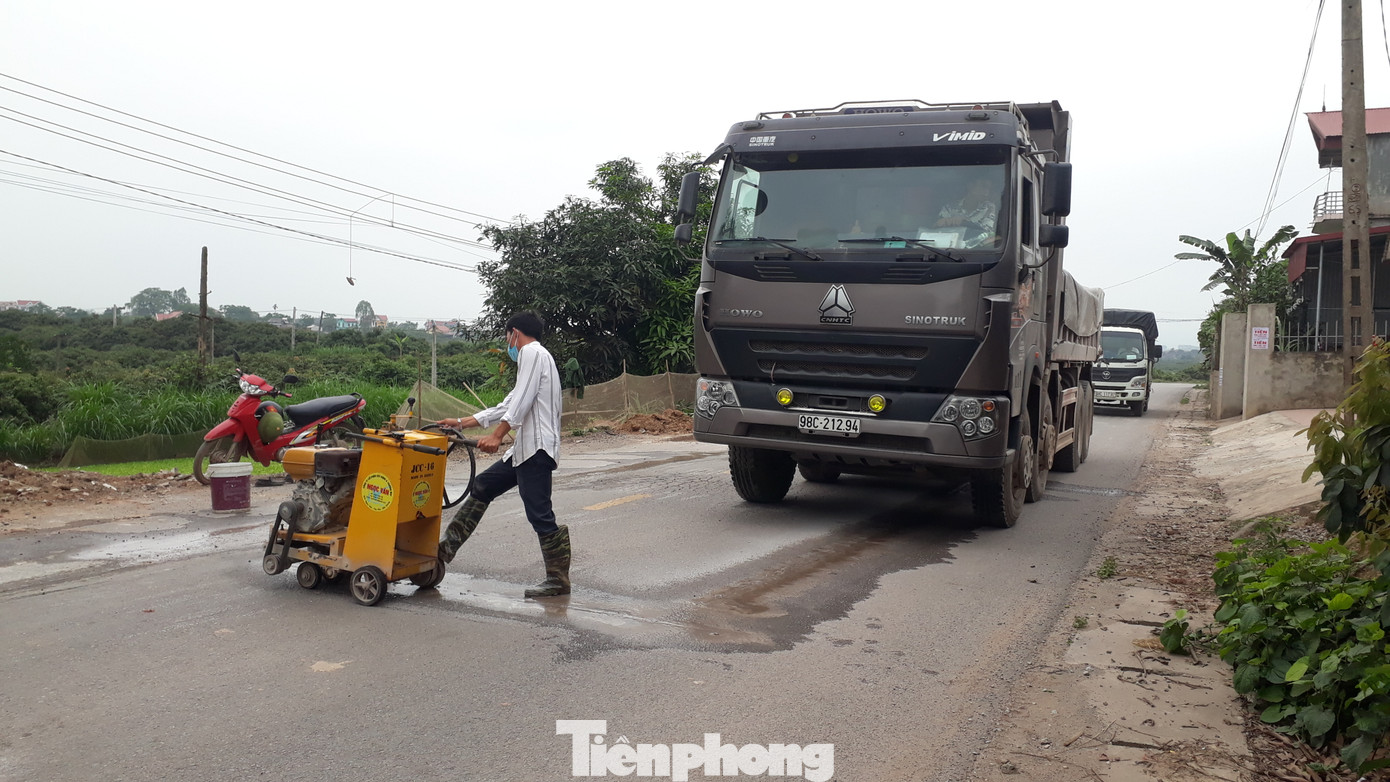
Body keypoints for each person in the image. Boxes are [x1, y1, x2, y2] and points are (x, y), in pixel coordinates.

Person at [436, 312, 569, 598]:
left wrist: (497, 435)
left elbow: (521, 403)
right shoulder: (537, 358)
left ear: (514, 333)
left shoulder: (532, 353)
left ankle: (558, 580)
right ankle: (442, 551)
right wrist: (460, 423)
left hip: (536, 448)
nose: (508, 343)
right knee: (484, 485)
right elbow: (507, 404)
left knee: (540, 514)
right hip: (525, 449)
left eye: (507, 337)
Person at [935, 176, 1000, 247]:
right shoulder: (949, 207)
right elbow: (935, 231)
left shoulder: (989, 207)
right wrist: (945, 222)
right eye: (983, 186)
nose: (986, 192)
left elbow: (987, 232)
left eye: (989, 189)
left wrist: (965, 222)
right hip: (947, 249)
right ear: (970, 186)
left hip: (976, 249)